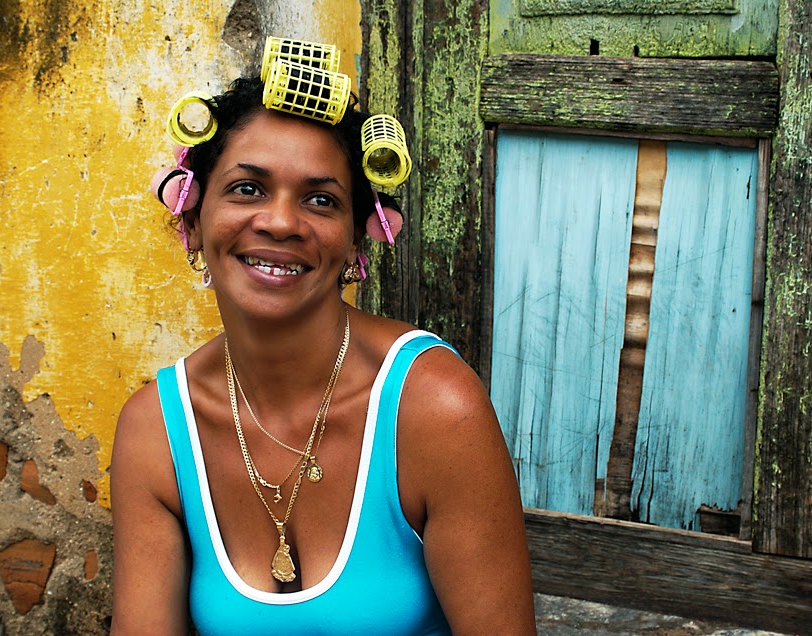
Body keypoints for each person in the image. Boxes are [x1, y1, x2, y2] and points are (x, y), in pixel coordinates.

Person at [111, 51, 536, 635]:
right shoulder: (155, 431)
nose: (281, 222)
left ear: (357, 241)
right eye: (247, 188)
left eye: (320, 200)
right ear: (192, 219)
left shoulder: (433, 408)